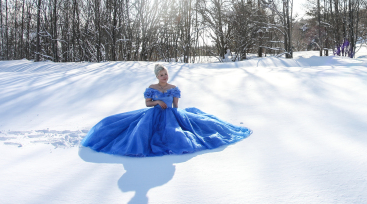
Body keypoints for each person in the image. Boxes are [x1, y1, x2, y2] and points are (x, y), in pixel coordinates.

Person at [81, 64, 251, 157]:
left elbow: (176, 105)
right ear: (157, 76)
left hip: (170, 114)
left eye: (166, 74)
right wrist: (157, 102)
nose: (165, 76)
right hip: (153, 114)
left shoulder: (173, 87)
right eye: (161, 74)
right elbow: (147, 103)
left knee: (186, 130)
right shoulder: (151, 87)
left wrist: (178, 116)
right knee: (138, 133)